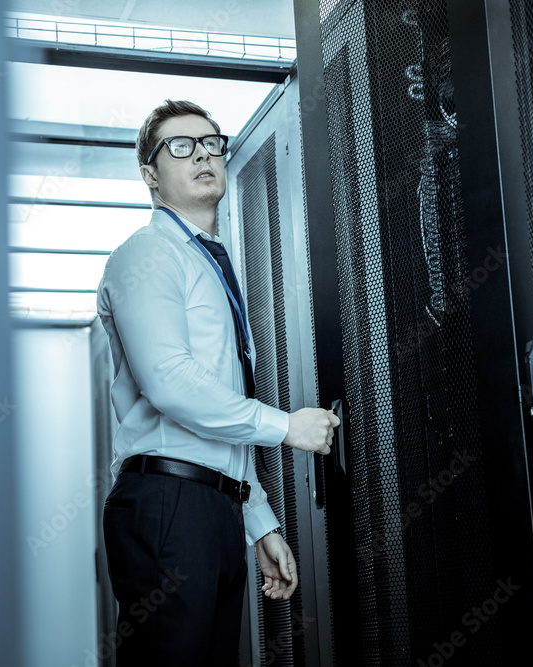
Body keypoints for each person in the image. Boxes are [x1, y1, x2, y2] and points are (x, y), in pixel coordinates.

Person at [96, 99, 339, 666]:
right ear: (150, 175)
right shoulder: (147, 255)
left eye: (210, 143)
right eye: (181, 146)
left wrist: (258, 523)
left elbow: (219, 411)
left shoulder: (209, 260)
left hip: (211, 508)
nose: (202, 154)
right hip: (166, 504)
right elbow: (170, 383)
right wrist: (286, 427)